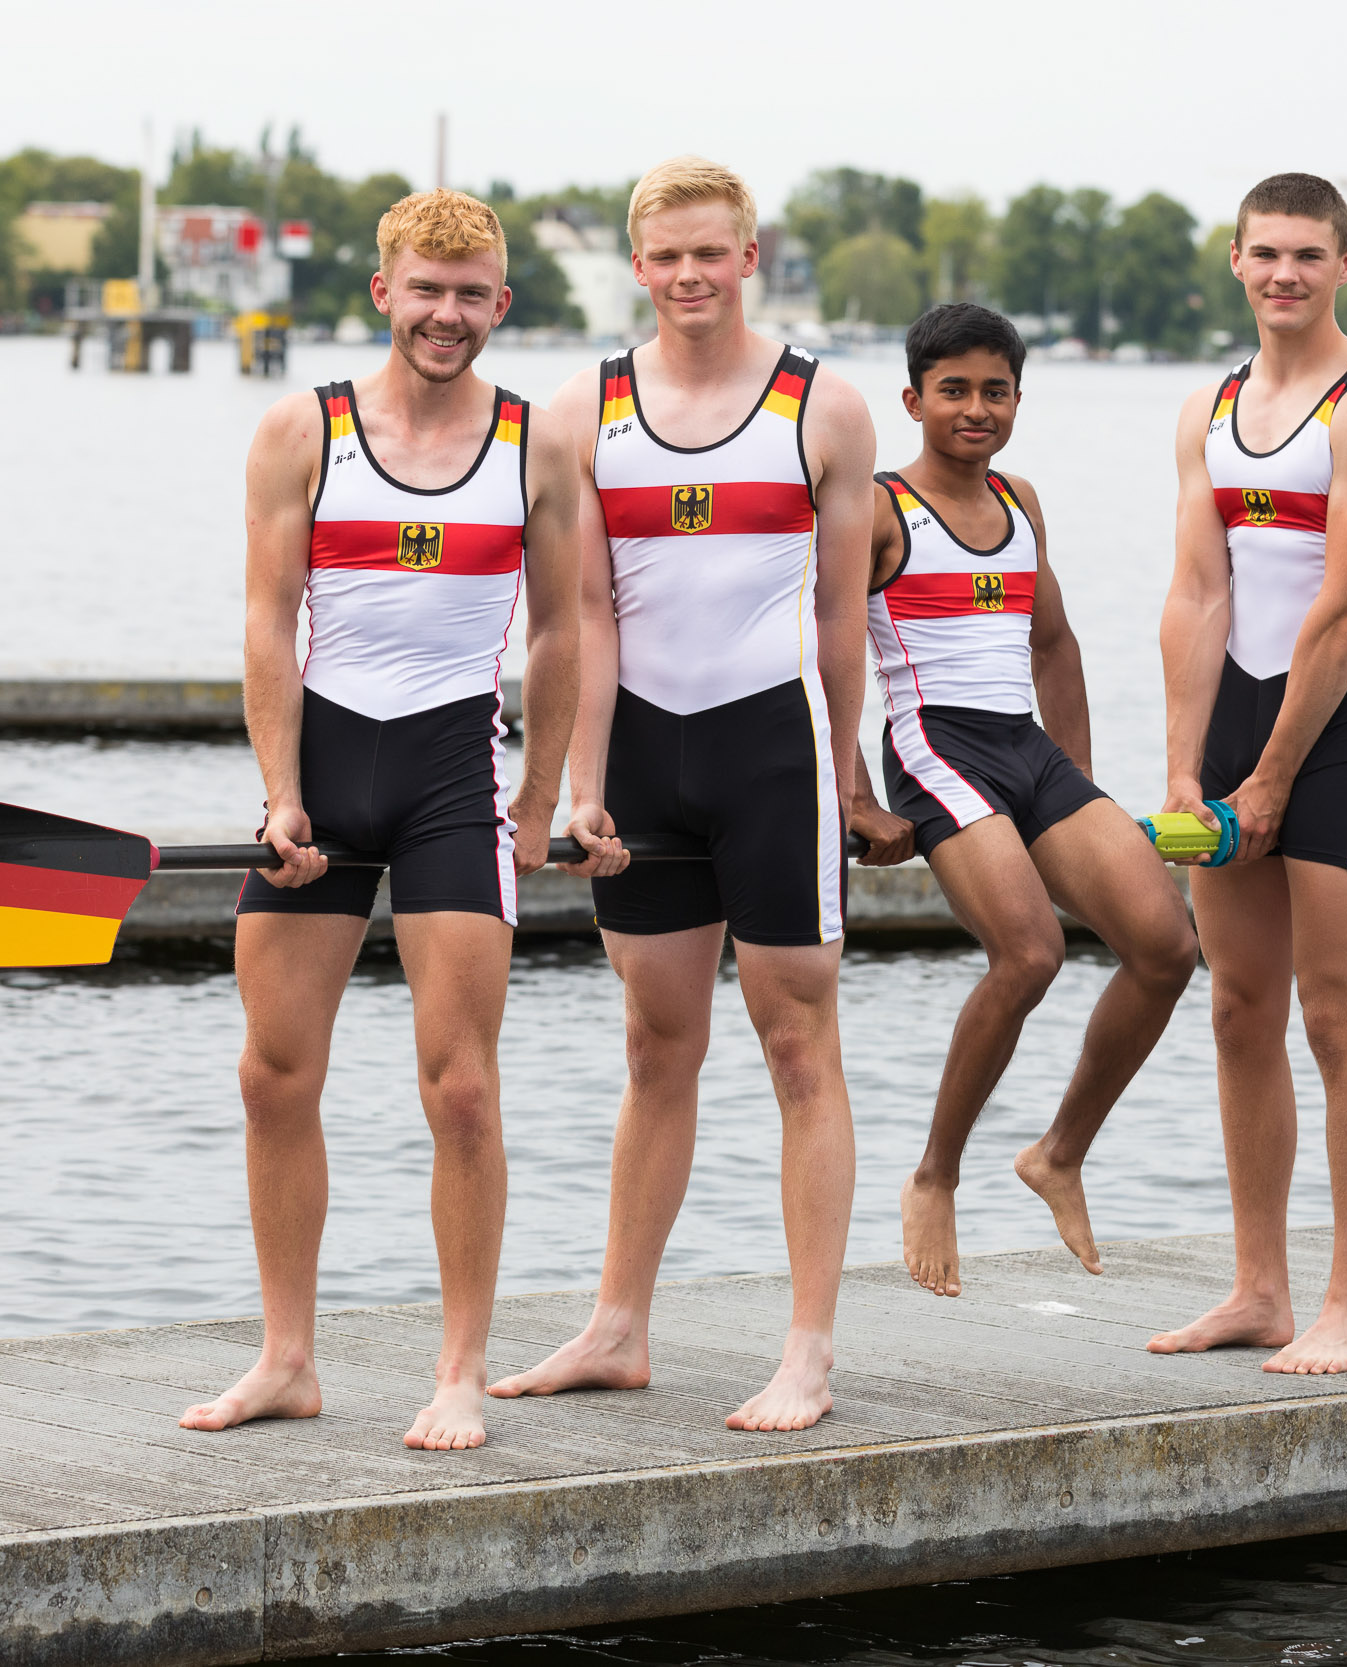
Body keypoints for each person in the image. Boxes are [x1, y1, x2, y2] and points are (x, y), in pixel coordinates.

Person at [178, 189, 582, 1450]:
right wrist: (281, 790)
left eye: (471, 295)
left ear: (499, 305)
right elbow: (266, 620)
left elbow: (568, 628)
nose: (446, 315)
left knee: (460, 1089)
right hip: (325, 776)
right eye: (426, 290)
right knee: (271, 1073)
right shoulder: (302, 430)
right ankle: (287, 1358)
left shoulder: (536, 446)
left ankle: (459, 1367)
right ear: (383, 293)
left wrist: (537, 799)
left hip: (456, 782)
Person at [488, 156, 876, 1431]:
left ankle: (806, 1349)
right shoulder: (577, 410)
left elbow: (836, 617)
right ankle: (617, 1325)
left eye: (712, 253)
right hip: (648, 758)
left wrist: (852, 773)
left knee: (795, 1044)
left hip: (775, 750)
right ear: (638, 266)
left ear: (748, 258)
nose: (690, 276)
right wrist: (579, 786)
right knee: (656, 1045)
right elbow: (585, 612)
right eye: (666, 257)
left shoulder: (822, 406)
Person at [851, 302, 1199, 1299]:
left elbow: (1053, 644)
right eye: (953, 389)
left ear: (1016, 401)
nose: (975, 408)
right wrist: (857, 796)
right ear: (912, 398)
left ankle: (1057, 1152)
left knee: (1167, 946)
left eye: (994, 390)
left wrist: (1077, 792)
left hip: (1027, 749)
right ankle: (935, 1171)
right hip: (934, 742)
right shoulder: (879, 509)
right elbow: (826, 653)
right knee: (1031, 952)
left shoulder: (1020, 501)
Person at [1150, 173, 1347, 1375]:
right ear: (1235, 259)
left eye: (1307, 256)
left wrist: (1266, 780)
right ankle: (1257, 1287)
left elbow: (1345, 607)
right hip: (1228, 728)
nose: (1284, 276)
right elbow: (1197, 593)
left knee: (1331, 1008)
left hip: (1334, 733)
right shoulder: (1207, 407)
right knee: (1235, 1007)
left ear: (1344, 265)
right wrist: (1181, 773)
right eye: (1265, 254)